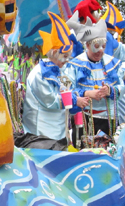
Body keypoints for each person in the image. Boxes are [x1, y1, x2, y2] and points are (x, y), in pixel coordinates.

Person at [19, 12, 87, 151]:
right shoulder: (39, 73)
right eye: (65, 56)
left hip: (59, 131)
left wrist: (79, 100)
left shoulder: (62, 70)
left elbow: (69, 92)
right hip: (40, 134)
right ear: (55, 53)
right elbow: (50, 100)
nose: (67, 60)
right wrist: (75, 101)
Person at [64, 17, 125, 139]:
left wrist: (110, 90)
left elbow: (121, 87)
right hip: (85, 118)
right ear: (87, 45)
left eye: (103, 46)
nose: (100, 50)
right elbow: (67, 90)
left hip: (110, 119)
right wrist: (87, 93)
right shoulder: (76, 65)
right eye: (96, 46)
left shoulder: (112, 63)